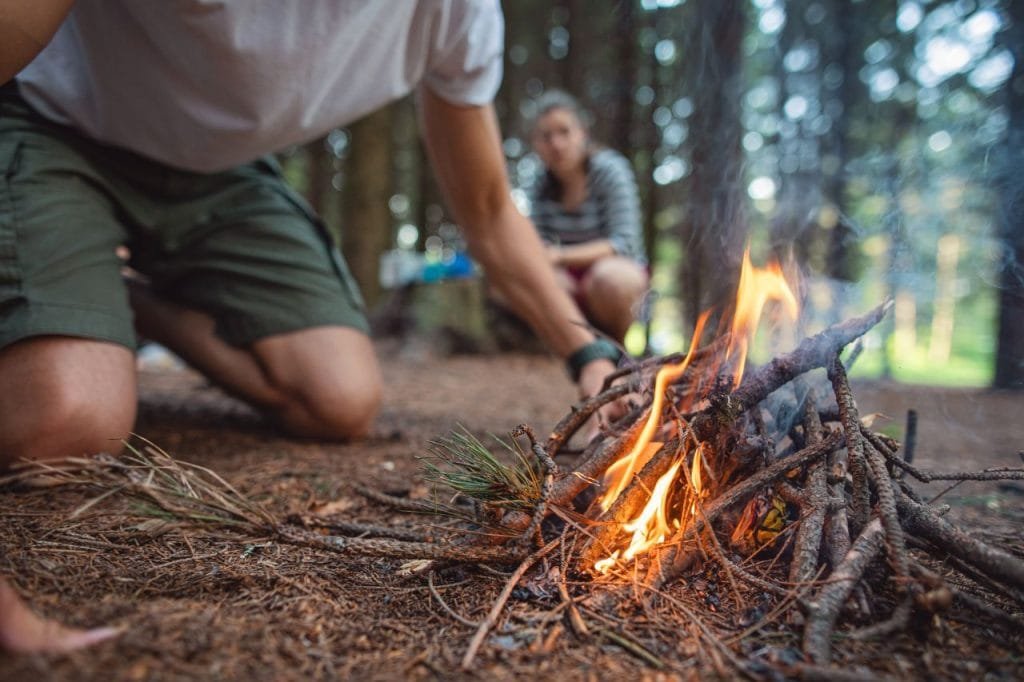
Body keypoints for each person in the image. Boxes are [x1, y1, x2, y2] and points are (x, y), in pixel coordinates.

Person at [0, 0, 624, 652]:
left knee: (339, 398)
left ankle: (119, 293)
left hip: (224, 173)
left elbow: (490, 210)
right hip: (55, 124)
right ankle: (72, 297)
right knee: (63, 424)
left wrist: (587, 351)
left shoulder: (456, 11)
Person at [526, 90, 650, 346]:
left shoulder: (609, 171)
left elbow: (623, 244)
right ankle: (573, 351)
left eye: (564, 132)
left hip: (614, 273)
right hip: (568, 280)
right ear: (536, 144)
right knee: (536, 282)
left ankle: (617, 351)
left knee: (611, 280)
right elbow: (540, 246)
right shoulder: (540, 184)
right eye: (546, 136)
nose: (556, 144)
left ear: (582, 133)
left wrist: (560, 255)